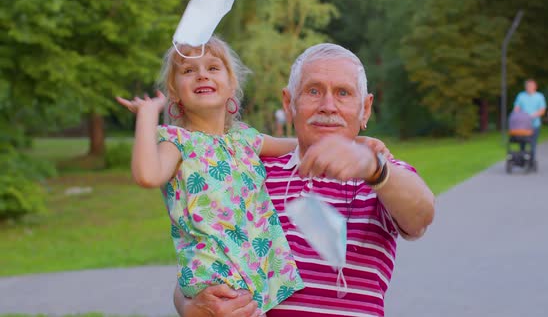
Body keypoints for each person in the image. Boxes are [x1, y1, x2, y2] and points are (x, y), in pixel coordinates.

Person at [174, 43, 435, 316]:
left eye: (343, 93)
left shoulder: (381, 174)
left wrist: (374, 168)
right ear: (289, 103)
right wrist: (189, 306)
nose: (328, 106)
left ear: (365, 109)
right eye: (313, 91)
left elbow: (421, 215)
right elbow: (196, 257)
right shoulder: (248, 171)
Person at [116, 36, 305, 314]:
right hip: (217, 284)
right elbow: (147, 175)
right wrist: (146, 116)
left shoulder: (245, 139)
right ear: (175, 91)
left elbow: (304, 147)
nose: (201, 74)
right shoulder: (177, 143)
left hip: (252, 279)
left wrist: (357, 143)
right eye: (188, 70)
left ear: (232, 85)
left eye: (213, 68)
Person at [513, 79, 547, 160]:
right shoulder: (521, 96)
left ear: (535, 87)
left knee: (533, 144)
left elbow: (542, 110)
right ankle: (522, 159)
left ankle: (531, 161)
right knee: (522, 143)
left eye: (531, 86)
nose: (529, 88)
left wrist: (532, 116)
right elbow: (516, 108)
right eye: (528, 86)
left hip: (534, 124)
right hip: (522, 125)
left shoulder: (539, 96)